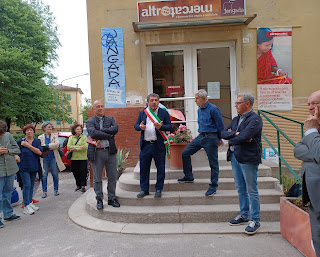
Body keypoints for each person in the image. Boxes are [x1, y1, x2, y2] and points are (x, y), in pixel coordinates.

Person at [221, 93, 263, 235]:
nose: (235, 105)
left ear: (247, 104)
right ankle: (244, 215)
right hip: (235, 156)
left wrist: (235, 136)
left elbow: (245, 135)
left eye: (238, 103)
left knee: (251, 189)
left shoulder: (255, 119)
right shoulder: (235, 119)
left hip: (248, 158)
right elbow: (223, 133)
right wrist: (235, 135)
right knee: (240, 188)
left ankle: (255, 219)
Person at [177, 89, 224, 196]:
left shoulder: (213, 109)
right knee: (185, 153)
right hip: (201, 136)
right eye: (195, 98)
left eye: (197, 98)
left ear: (203, 99)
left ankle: (213, 186)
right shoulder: (199, 109)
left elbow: (220, 125)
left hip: (211, 137)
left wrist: (219, 138)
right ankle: (188, 176)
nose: (195, 101)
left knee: (213, 163)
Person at [294, 90, 320, 256]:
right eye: (309, 104)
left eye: (315, 104)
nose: (310, 108)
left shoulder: (311, 126)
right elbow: (298, 150)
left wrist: (310, 131)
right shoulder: (315, 124)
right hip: (313, 191)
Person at [134, 93, 172, 199]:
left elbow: (170, 126)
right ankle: (144, 189)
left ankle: (159, 189)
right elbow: (136, 125)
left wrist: (161, 127)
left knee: (160, 168)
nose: (154, 102)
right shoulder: (143, 113)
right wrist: (140, 127)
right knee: (144, 168)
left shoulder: (164, 113)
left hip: (158, 145)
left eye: (156, 100)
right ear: (148, 102)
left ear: (158, 102)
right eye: (152, 100)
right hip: (146, 145)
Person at [87, 100, 120, 210]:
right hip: (97, 152)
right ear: (93, 109)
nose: (100, 108)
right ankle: (99, 199)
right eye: (98, 106)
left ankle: (111, 198)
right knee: (97, 178)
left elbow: (115, 129)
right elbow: (93, 133)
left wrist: (102, 131)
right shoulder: (90, 121)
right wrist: (109, 133)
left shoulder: (110, 119)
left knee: (113, 176)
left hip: (110, 151)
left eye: (102, 106)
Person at [17, 124, 42, 215]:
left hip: (34, 166)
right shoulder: (20, 141)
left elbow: (39, 152)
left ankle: (30, 203)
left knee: (31, 185)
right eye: (27, 130)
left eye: (31, 130)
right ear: (25, 132)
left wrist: (28, 146)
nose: (29, 131)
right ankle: (26, 206)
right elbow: (15, 152)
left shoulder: (37, 141)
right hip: (23, 167)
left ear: (33, 131)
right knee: (26, 185)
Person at [0, 120, 21, 228]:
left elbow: (17, 149)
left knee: (8, 193)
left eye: (2, 133)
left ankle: (8, 214)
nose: (1, 135)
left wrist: (8, 150)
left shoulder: (8, 135)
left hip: (10, 168)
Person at [38, 122, 65, 198]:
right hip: (44, 158)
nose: (50, 128)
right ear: (44, 128)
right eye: (48, 127)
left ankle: (56, 190)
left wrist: (46, 146)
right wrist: (50, 146)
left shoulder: (54, 136)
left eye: (51, 127)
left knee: (55, 174)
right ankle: (44, 191)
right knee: (44, 175)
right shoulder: (40, 137)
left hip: (53, 157)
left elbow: (56, 145)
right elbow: (40, 146)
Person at [67, 123, 88, 193]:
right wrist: (79, 147)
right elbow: (68, 147)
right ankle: (78, 185)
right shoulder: (71, 138)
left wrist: (75, 148)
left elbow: (85, 146)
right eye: (77, 129)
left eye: (80, 129)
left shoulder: (84, 137)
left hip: (83, 158)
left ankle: (83, 186)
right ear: (74, 130)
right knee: (75, 172)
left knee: (83, 172)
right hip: (74, 158)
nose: (79, 130)